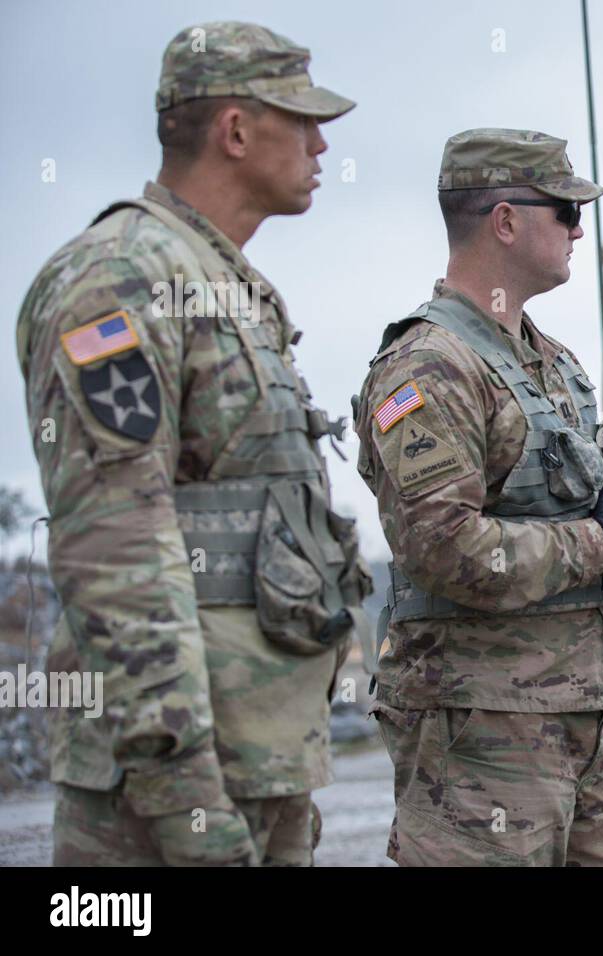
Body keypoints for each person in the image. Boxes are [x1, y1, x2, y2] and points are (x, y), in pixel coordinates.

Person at [17, 21, 364, 866]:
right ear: (236, 130)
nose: (323, 143)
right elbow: (116, 553)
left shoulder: (230, 286)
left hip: (260, 760)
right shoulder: (121, 277)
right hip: (169, 790)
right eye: (302, 118)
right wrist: (188, 804)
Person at [354, 128, 603, 866]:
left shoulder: (553, 364)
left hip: (575, 712)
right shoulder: (429, 366)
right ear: (505, 220)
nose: (578, 227)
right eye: (564, 210)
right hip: (479, 727)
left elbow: (583, 516)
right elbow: (444, 550)